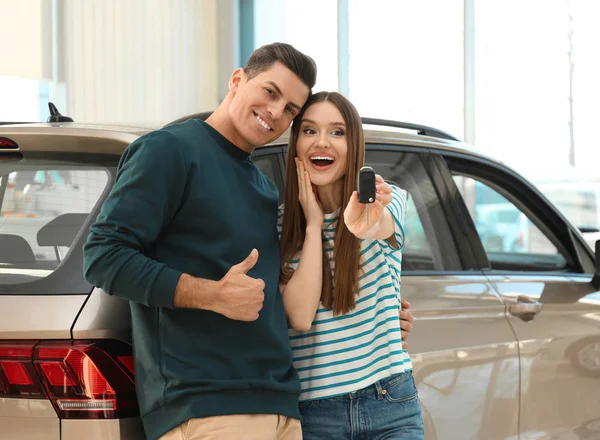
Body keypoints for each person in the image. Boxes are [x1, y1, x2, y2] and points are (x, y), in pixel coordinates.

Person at [83, 43, 316, 440]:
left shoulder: (261, 186)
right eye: (270, 92)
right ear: (238, 79)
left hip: (277, 406)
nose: (277, 113)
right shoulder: (169, 150)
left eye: (291, 109)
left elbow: (270, 297)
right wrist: (212, 295)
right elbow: (103, 256)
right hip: (206, 408)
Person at [278, 91, 424, 440]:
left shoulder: (387, 200)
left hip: (390, 400)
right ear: (295, 143)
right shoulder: (279, 228)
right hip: (315, 414)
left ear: (354, 143)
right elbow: (299, 316)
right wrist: (313, 225)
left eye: (337, 132)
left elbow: (378, 226)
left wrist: (363, 224)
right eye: (309, 131)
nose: (322, 142)